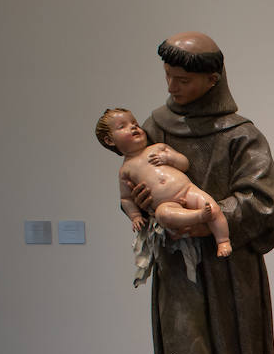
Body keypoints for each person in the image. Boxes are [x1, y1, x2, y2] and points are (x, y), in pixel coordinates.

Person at [133, 32, 274, 354]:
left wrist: (212, 217)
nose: (172, 87)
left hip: (229, 271)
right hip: (179, 271)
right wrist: (141, 203)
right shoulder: (155, 127)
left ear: (212, 78)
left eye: (183, 78)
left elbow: (265, 202)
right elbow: (137, 185)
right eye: (168, 78)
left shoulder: (241, 134)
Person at [96, 108, 232, 258]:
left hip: (186, 190)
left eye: (135, 123)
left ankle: (223, 241)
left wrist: (169, 159)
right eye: (122, 126)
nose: (134, 127)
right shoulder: (125, 170)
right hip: (165, 204)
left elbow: (184, 163)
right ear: (109, 141)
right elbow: (126, 198)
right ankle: (198, 216)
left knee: (213, 208)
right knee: (163, 214)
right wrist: (135, 215)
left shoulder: (158, 148)